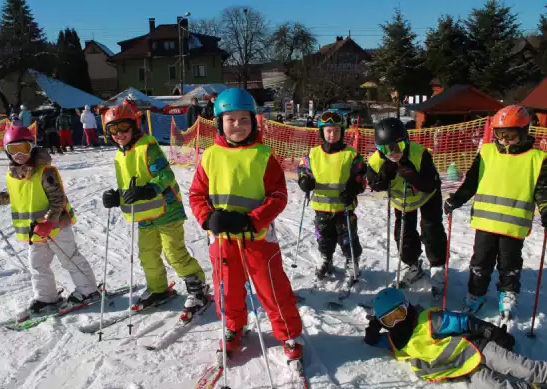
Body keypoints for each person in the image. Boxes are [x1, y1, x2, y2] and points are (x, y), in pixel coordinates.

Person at [189, 88, 304, 363]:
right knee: (226, 288)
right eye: (231, 120)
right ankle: (232, 328)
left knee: (272, 288)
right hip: (222, 239)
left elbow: (278, 195)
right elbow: (197, 195)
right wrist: (207, 217)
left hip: (258, 238)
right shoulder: (210, 156)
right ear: (219, 123)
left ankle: (288, 333)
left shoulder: (263, 156)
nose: (238, 125)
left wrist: (253, 220)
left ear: (254, 121)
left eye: (244, 119)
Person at [0, 126, 98, 318]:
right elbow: (14, 195)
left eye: (24, 147)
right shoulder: (13, 173)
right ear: (6, 150)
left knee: (69, 258)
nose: (20, 154)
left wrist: (49, 221)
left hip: (56, 227)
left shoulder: (45, 171)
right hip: (35, 231)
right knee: (37, 265)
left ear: (32, 146)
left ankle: (88, 290)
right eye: (14, 149)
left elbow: (58, 199)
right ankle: (47, 297)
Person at [101, 105, 207, 317]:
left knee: (174, 253)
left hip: (167, 208)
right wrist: (117, 198)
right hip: (143, 214)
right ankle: (158, 289)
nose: (119, 134)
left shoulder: (147, 147)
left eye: (124, 127)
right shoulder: (119, 156)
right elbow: (130, 186)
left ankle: (198, 286)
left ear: (135, 126)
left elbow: (166, 175)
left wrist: (150, 188)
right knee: (147, 254)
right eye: (113, 130)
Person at [443, 105, 547, 318]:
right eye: (500, 134)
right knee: (480, 261)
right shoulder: (487, 152)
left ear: (524, 131)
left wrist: (545, 210)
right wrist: (456, 199)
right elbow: (472, 182)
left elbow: (543, 191)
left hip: (513, 225)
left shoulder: (537, 159)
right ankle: (475, 293)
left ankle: (508, 293)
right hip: (485, 222)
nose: (504, 140)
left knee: (510, 262)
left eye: (510, 135)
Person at [364, 287, 544, 389]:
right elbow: (373, 341)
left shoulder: (429, 320)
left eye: (400, 313)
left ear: (407, 306)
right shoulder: (396, 342)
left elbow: (464, 321)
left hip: (478, 347)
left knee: (519, 367)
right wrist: (373, 328)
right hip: (466, 368)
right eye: (389, 320)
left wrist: (492, 332)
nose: (397, 322)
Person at [367, 118, 447, 298]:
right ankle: (412, 265)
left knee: (431, 231)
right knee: (403, 234)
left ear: (407, 142)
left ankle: (438, 268)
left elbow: (432, 183)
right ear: (380, 149)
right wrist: (383, 177)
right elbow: (373, 184)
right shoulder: (376, 161)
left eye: (399, 146)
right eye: (387, 149)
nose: (394, 153)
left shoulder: (420, 154)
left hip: (427, 197)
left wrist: (413, 176)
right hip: (402, 202)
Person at [297, 109, 367, 281]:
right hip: (321, 208)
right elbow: (303, 170)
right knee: (324, 238)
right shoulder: (313, 154)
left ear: (342, 132)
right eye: (328, 131)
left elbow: (362, 176)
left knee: (347, 238)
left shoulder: (351, 154)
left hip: (344, 207)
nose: (332, 135)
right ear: (322, 132)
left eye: (336, 131)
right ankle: (326, 259)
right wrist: (304, 181)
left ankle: (352, 260)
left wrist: (354, 187)